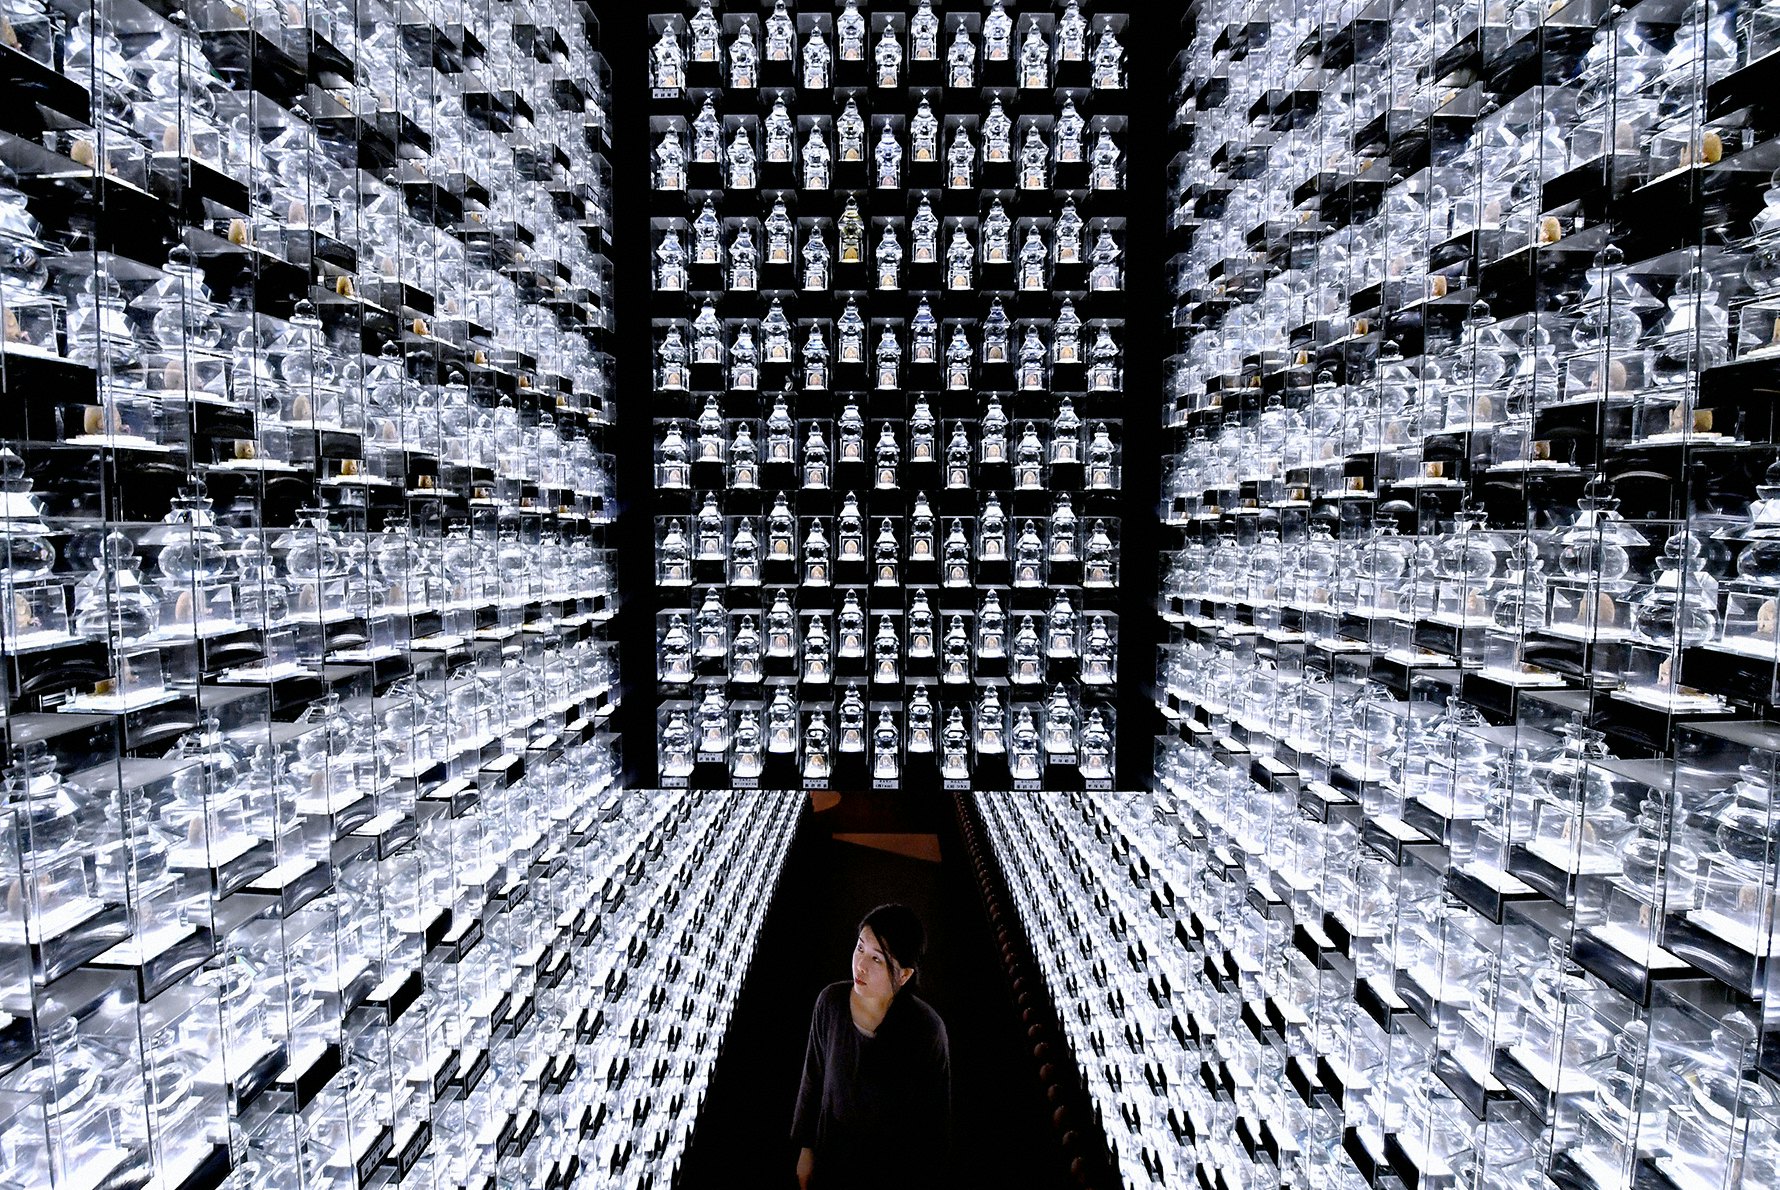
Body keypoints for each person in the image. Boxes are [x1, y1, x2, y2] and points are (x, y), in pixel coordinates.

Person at [792, 904, 950, 1188]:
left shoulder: (927, 1030)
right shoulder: (831, 1003)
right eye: (860, 948)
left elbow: (933, 1125)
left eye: (877, 959)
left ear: (903, 975)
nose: (860, 965)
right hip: (831, 1161)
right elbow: (813, 1079)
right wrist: (806, 1149)